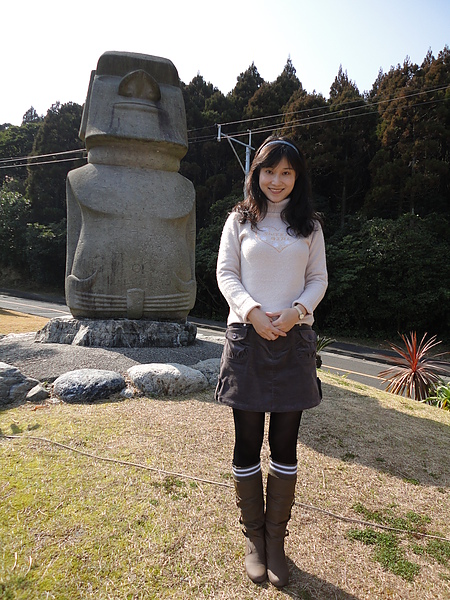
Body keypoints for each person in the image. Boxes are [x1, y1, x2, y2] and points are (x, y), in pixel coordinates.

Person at [215, 136, 328, 587]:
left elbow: (318, 278)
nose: (276, 181)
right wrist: (254, 313)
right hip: (247, 337)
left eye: (286, 173)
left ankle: (276, 542)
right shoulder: (239, 220)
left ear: (296, 178)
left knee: (284, 445)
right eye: (268, 171)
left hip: (294, 339)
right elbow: (226, 273)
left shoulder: (310, 226)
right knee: (247, 443)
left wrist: (297, 311)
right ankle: (253, 539)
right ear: (256, 174)